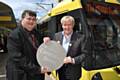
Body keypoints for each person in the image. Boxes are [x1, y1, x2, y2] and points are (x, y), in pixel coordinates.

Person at [6, 10, 48, 80]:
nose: (31, 21)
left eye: (34, 19)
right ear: (22, 19)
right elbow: (17, 57)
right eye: (29, 19)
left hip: (36, 75)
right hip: (21, 75)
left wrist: (47, 40)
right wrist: (38, 69)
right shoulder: (14, 35)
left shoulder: (38, 34)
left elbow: (43, 48)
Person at [44, 15, 85, 80]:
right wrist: (47, 43)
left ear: (73, 25)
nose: (67, 27)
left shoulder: (81, 37)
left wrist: (72, 60)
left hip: (73, 72)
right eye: (65, 25)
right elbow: (52, 51)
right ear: (62, 25)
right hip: (60, 70)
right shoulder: (57, 35)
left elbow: (85, 54)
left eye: (69, 25)